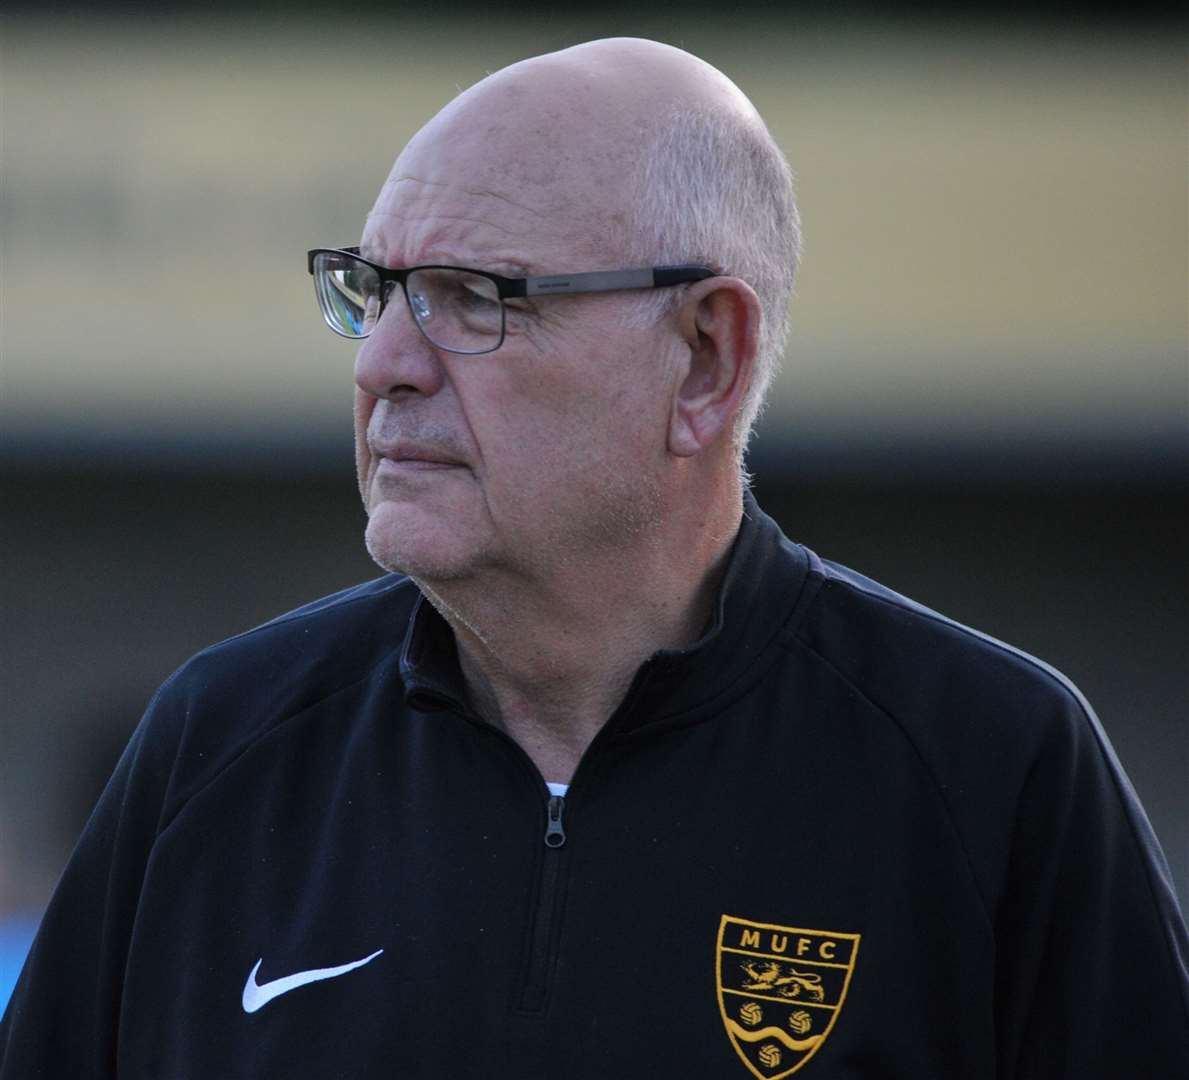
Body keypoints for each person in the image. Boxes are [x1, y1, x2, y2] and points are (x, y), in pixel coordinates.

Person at [1, 36, 1185, 1080]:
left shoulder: (989, 768)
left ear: (706, 360)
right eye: (376, 292)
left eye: (472, 298)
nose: (384, 367)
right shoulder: (217, 745)